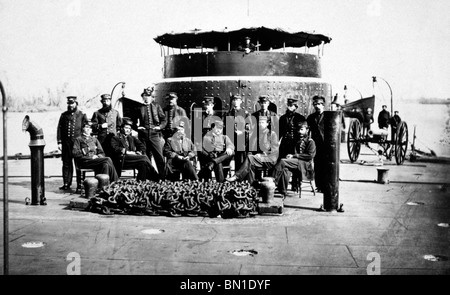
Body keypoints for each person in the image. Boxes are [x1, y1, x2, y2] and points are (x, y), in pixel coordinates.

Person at [226, 116, 279, 184]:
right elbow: (251, 146)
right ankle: (252, 185)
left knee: (250, 159)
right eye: (259, 122)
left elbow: (274, 151)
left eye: (262, 122)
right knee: (250, 162)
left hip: (269, 159)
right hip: (258, 159)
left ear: (267, 124)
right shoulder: (256, 134)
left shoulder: (272, 134)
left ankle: (237, 177)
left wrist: (262, 154)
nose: (260, 124)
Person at [272, 121, 316, 198]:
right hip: (297, 163)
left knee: (282, 161)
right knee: (285, 169)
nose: (299, 132)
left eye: (302, 129)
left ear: (307, 130)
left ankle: (272, 181)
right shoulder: (297, 140)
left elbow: (310, 156)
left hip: (305, 164)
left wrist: (294, 156)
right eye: (298, 130)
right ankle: (282, 191)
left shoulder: (310, 141)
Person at [57, 96, 88, 191]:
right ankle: (66, 183)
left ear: (76, 103)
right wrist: (59, 142)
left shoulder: (82, 115)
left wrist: (84, 142)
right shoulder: (64, 115)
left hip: (77, 144)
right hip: (66, 144)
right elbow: (59, 128)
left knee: (79, 164)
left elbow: (86, 129)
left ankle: (80, 184)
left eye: (72, 103)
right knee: (66, 164)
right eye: (69, 103)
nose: (71, 105)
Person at [134, 87, 167, 178]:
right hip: (143, 136)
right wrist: (137, 128)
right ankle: (149, 176)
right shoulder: (138, 107)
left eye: (149, 96)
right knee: (145, 157)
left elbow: (164, 120)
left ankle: (162, 177)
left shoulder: (156, 106)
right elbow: (133, 121)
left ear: (151, 97)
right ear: (142, 97)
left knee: (159, 156)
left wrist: (159, 127)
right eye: (145, 96)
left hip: (154, 134)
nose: (147, 98)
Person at [224, 94, 250, 171]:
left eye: (238, 100)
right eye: (234, 100)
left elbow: (249, 128)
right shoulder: (228, 114)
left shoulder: (245, 113)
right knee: (226, 159)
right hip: (230, 140)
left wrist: (242, 132)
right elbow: (224, 128)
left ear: (241, 101)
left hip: (241, 140)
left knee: (240, 161)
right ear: (232, 102)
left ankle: (239, 180)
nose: (236, 102)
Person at [306, 95, 326, 193]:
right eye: (315, 104)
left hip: (326, 145)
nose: (317, 106)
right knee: (317, 165)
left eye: (319, 104)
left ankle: (325, 185)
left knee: (325, 165)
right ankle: (319, 186)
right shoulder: (311, 117)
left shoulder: (328, 116)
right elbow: (307, 131)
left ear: (323, 105)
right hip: (315, 144)